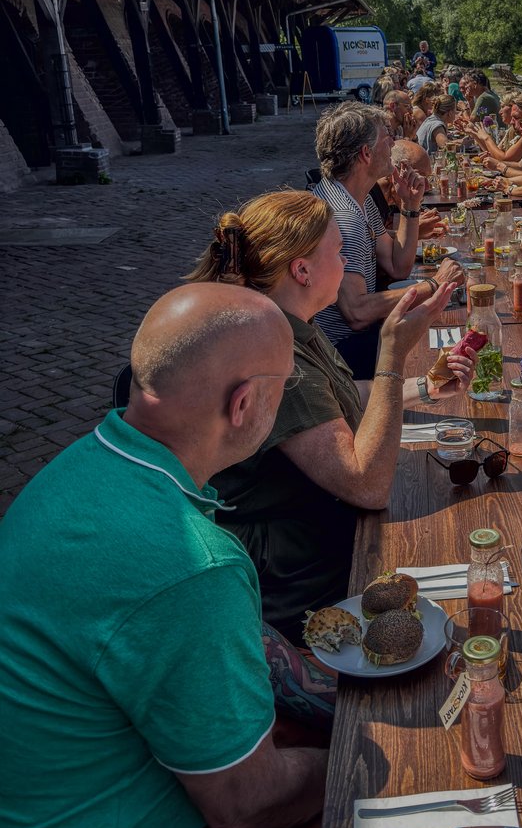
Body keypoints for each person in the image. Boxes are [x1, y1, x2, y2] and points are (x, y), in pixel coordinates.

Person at [0, 285, 326, 828]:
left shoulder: (85, 462)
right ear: (244, 403)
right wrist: (360, 760)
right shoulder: (192, 563)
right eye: (286, 386)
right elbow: (242, 804)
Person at [188, 191, 475, 642]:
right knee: (463, 569)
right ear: (301, 270)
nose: (346, 263)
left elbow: (340, 397)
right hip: (303, 580)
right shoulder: (277, 358)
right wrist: (393, 354)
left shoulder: (288, 321)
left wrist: (424, 387)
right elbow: (368, 484)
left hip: (315, 534)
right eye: (339, 251)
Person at [310, 104, 462, 377]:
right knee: (448, 349)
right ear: (366, 154)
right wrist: (434, 284)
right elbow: (357, 313)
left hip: (356, 342)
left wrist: (410, 206)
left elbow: (397, 266)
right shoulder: (345, 218)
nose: (393, 143)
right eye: (386, 138)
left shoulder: (358, 198)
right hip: (342, 356)